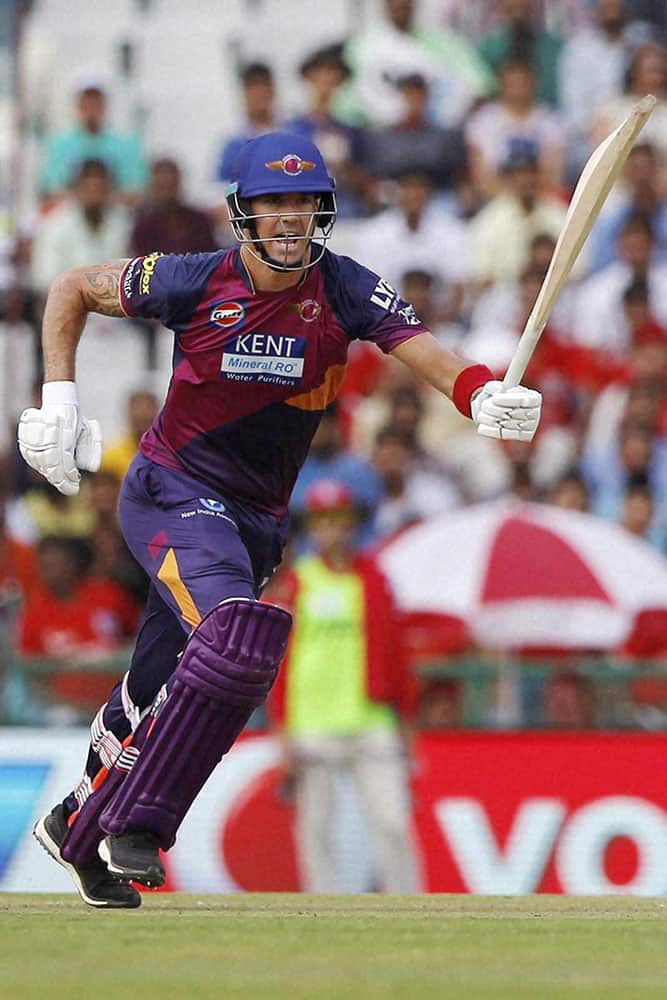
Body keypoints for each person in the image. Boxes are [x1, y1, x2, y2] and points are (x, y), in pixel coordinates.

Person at [18, 131, 542, 909]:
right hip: (171, 489)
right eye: (275, 203)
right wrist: (59, 400)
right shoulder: (194, 279)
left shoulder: (342, 288)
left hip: (256, 521)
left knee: (157, 684)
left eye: (305, 203)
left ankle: (75, 824)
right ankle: (139, 824)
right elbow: (69, 288)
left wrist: (478, 395)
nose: (292, 218)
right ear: (243, 212)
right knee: (235, 639)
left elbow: (422, 348)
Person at [268, 480, 419, 893]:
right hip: (313, 722)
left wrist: (405, 719)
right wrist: (282, 731)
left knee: (392, 822)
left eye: (341, 521)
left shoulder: (373, 580)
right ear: (314, 528)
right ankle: (322, 907)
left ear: (353, 525)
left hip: (370, 718)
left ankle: (410, 905)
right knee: (317, 829)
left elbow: (396, 654)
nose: (333, 530)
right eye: (324, 521)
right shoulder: (298, 583)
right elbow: (279, 664)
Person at [39, 74, 147, 208]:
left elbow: (135, 191)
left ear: (104, 105)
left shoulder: (126, 145)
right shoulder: (59, 145)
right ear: (78, 105)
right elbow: (53, 192)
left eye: (96, 102)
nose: (91, 108)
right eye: (87, 102)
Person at [130, 158, 217, 257]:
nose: (167, 194)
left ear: (178, 184)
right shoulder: (143, 228)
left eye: (170, 186)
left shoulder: (200, 222)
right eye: (161, 187)